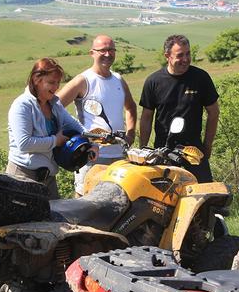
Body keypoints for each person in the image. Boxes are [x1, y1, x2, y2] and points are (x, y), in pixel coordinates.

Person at [58, 35, 137, 196]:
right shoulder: (83, 81)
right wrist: (71, 135)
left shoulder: (118, 79)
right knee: (85, 203)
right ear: (92, 53)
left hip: (119, 156)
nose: (108, 54)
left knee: (116, 204)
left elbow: (131, 107)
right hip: (91, 156)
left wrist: (130, 134)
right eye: (103, 50)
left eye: (111, 50)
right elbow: (55, 107)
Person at [139, 34, 219, 183]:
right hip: (163, 152)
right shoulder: (153, 81)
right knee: (163, 201)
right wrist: (143, 148)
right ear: (167, 56)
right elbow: (146, 117)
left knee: (203, 197)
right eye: (180, 55)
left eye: (188, 54)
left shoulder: (201, 78)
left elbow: (214, 112)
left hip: (194, 152)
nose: (186, 59)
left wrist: (207, 145)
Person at [7, 57, 86, 198]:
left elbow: (74, 125)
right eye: (51, 82)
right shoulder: (22, 106)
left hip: (48, 178)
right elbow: (24, 144)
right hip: (23, 176)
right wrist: (56, 141)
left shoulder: (54, 104)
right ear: (37, 80)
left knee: (53, 219)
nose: (56, 87)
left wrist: (89, 142)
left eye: (57, 83)